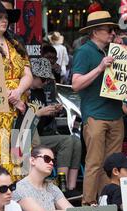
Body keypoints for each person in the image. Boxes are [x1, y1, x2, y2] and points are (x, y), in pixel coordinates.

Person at [72, 11, 124, 206]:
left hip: (115, 114)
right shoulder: (84, 52)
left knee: (112, 166)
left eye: (114, 30)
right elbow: (76, 84)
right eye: (109, 29)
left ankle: (107, 204)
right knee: (94, 164)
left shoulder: (111, 50)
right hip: (95, 115)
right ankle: (88, 205)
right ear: (95, 31)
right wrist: (100, 68)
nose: (112, 33)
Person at [0, 0, 33, 181]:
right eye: (0, 17)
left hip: (18, 107)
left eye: (6, 18)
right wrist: (7, 95)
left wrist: (18, 93)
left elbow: (28, 75)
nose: (5, 21)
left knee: (19, 151)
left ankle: (19, 198)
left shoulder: (15, 44)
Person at [29, 57, 82, 197]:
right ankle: (62, 186)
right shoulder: (24, 93)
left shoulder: (40, 92)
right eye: (43, 79)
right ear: (33, 76)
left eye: (47, 80)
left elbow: (42, 123)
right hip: (26, 139)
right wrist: (39, 114)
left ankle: (71, 186)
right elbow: (21, 125)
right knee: (67, 141)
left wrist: (52, 113)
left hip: (40, 135)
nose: (45, 82)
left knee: (75, 140)